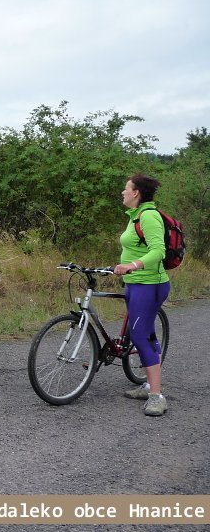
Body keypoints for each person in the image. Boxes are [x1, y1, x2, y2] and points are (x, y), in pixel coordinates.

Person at [113, 174, 170, 416]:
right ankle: (147, 386)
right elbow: (136, 247)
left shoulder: (148, 216)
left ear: (136, 193)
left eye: (126, 189)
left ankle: (157, 396)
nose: (123, 193)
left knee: (138, 335)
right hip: (134, 284)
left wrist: (132, 265)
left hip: (150, 284)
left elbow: (158, 251)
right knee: (144, 332)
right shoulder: (134, 216)